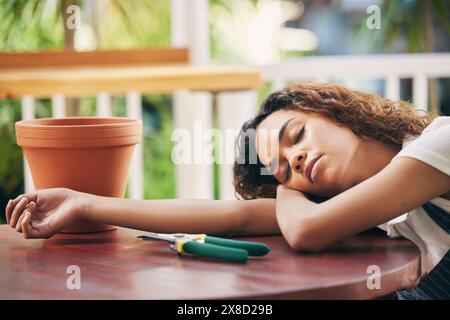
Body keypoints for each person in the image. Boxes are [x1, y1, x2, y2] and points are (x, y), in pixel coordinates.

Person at [5, 82, 450, 299]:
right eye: (281, 169)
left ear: (333, 112)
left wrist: (282, 183)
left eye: (296, 135)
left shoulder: (438, 142)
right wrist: (84, 203)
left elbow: (306, 230)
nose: (295, 159)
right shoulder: (362, 204)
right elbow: (231, 216)